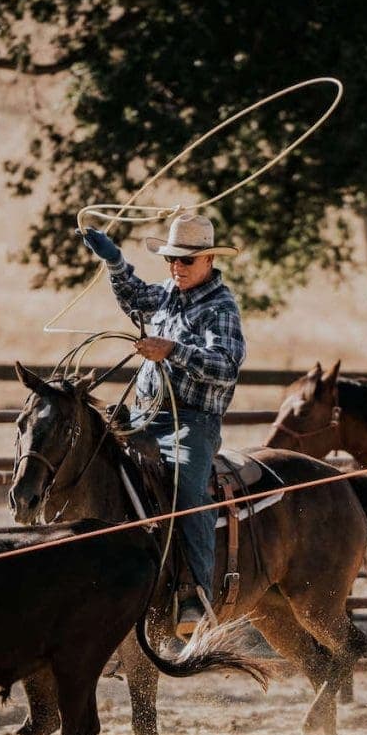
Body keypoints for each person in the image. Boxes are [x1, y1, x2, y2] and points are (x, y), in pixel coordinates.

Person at [78, 212, 247, 619]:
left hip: (191, 423)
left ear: (208, 261)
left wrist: (172, 350)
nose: (177, 267)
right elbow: (136, 298)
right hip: (143, 414)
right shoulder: (170, 292)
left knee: (188, 494)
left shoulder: (220, 308)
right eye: (172, 259)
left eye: (186, 260)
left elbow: (226, 367)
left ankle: (195, 594)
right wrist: (115, 261)